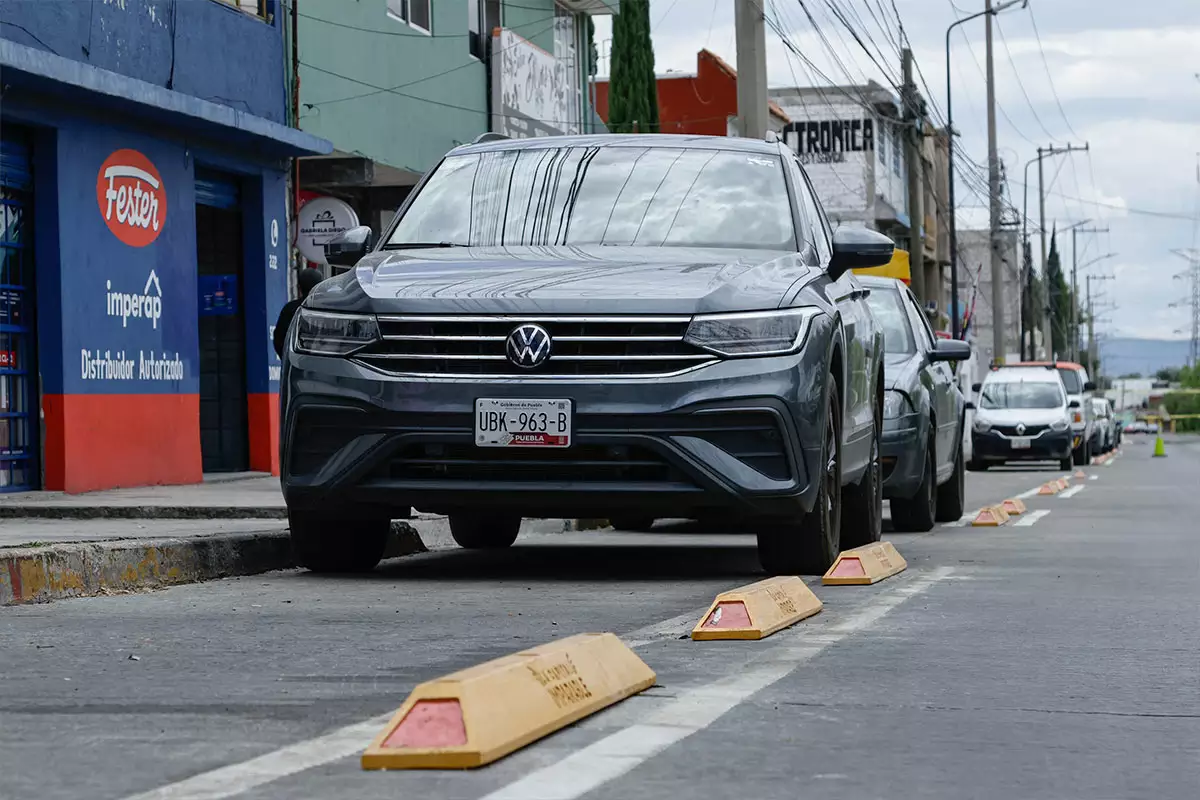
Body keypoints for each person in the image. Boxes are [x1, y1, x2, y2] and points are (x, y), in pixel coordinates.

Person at [273, 268, 325, 359]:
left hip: (296, 365)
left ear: (299, 287)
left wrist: (288, 360)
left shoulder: (290, 309)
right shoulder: (328, 310)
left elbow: (279, 339)